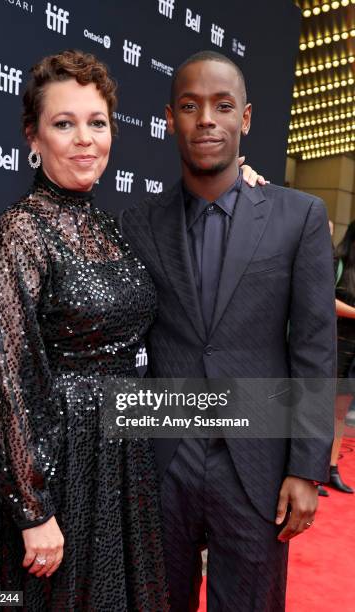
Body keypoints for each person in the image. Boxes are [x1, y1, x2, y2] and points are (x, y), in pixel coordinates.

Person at [0, 49, 262, 611]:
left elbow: (185, 231)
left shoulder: (112, 228)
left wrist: (237, 184)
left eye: (96, 123)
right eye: (63, 123)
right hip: (57, 472)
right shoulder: (13, 238)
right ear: (32, 136)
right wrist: (33, 512)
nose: (84, 139)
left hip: (122, 466)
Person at [120, 50, 336, 611]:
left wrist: (307, 470)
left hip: (257, 465)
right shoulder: (137, 222)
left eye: (222, 105)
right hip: (162, 460)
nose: (206, 119)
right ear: (170, 119)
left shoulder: (300, 216)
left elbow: (313, 349)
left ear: (245, 118)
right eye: (190, 106)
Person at [328, 221, 355, 493]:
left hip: (353, 350)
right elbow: (325, 299)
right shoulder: (338, 261)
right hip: (334, 343)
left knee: (340, 411)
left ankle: (331, 468)